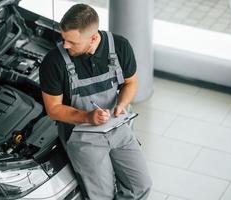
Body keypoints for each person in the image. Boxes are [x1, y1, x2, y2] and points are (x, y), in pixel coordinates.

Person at [39, 4, 152, 200]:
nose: (65, 45)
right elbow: (53, 109)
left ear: (93, 37)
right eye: (63, 39)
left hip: (117, 126)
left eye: (72, 42)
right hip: (82, 137)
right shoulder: (54, 62)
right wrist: (88, 117)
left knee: (141, 185)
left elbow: (131, 83)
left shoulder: (120, 47)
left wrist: (121, 104)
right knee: (101, 196)